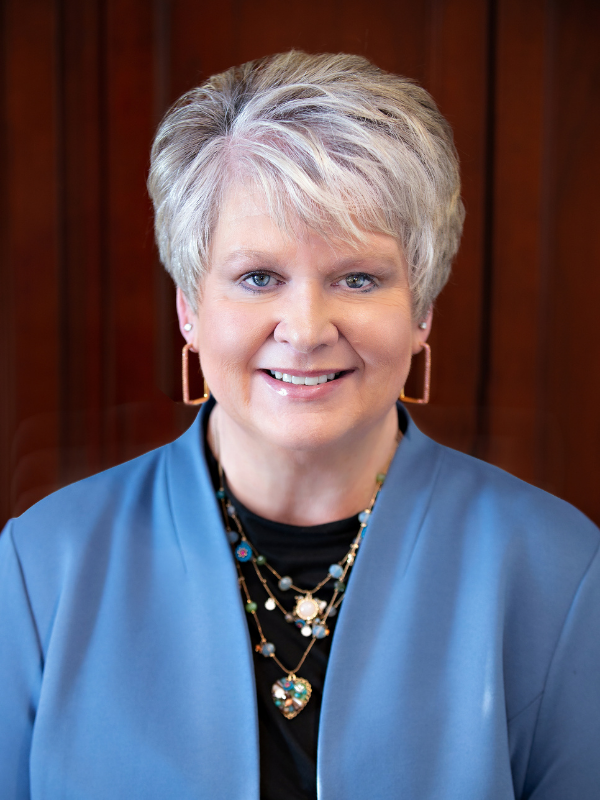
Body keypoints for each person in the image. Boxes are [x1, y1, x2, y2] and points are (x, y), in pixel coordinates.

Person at [1, 51, 599, 800]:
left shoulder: (562, 568)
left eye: (358, 278)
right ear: (189, 307)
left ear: (422, 311)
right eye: (259, 278)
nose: (307, 328)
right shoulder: (39, 566)